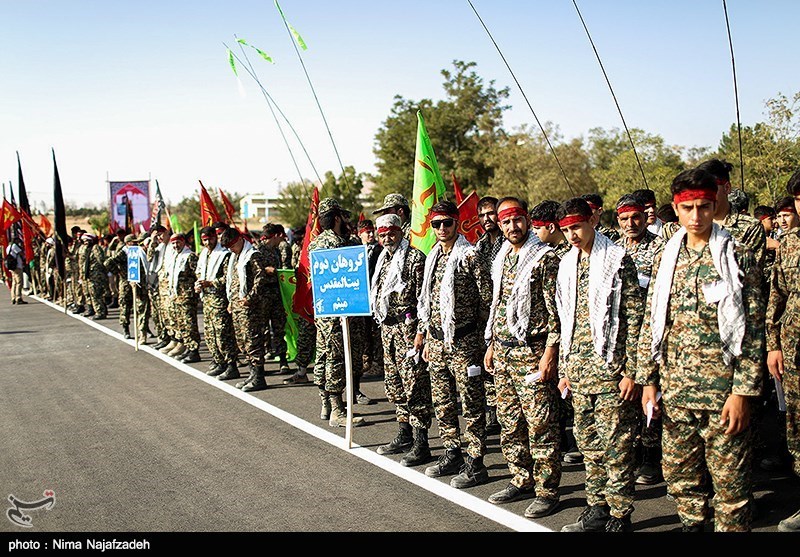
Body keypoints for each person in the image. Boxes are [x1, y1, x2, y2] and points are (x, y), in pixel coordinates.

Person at [637, 167, 765, 532]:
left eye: (704, 207)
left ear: (715, 205)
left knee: (731, 487)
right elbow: (652, 321)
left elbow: (753, 331)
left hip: (723, 392)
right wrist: (648, 381)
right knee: (681, 478)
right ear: (676, 209)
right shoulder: (666, 257)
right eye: (688, 208)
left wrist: (741, 393)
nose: (696, 216)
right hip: (676, 391)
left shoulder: (737, 255)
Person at [556, 197, 643, 532]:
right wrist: (565, 370)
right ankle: (597, 508)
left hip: (611, 372)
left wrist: (632, 372)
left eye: (577, 227)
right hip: (579, 372)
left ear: (592, 221)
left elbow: (635, 320)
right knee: (589, 444)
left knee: (617, 446)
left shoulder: (617, 260)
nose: (572, 235)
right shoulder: (568, 264)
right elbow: (566, 321)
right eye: (566, 230)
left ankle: (620, 514)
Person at [483, 197, 563, 518]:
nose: (512, 227)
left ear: (527, 220)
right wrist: (492, 344)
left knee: (541, 424)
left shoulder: (545, 258)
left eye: (517, 220)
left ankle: (547, 490)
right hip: (503, 351)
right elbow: (499, 305)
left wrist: (550, 354)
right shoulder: (502, 256)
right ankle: (521, 478)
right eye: (506, 222)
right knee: (509, 421)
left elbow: (556, 314)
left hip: (532, 352)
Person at [414, 200, 492, 489]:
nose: (442, 229)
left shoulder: (470, 256)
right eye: (436, 224)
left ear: (457, 223)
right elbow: (428, 302)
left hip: (465, 341)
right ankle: (452, 452)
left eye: (447, 223)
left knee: (471, 404)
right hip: (436, 341)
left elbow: (487, 301)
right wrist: (424, 335)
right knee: (443, 402)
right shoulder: (432, 257)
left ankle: (476, 462)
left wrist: (482, 341)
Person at [371, 213, 433, 466]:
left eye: (391, 233)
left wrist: (421, 332)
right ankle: (404, 433)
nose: (387, 239)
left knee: (415, 385)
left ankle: (421, 442)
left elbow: (425, 299)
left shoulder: (415, 258)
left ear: (400, 232)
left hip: (409, 331)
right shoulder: (383, 258)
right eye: (382, 235)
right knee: (395, 385)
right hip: (388, 330)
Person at [615, 193, 665, 485]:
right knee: (626, 397)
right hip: (622, 334)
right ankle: (632, 451)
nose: (630, 223)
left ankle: (651, 455)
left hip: (650, 332)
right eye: (624, 219)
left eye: (635, 217)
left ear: (645, 217)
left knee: (651, 392)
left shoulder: (660, 249)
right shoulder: (613, 250)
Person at [309, 198, 367, 427]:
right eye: (342, 216)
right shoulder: (340, 245)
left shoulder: (315, 243)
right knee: (336, 358)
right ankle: (337, 410)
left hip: (324, 311)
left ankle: (325, 403)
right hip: (339, 312)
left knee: (323, 356)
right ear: (336, 218)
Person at [531, 199, 580, 464]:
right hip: (558, 334)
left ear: (551, 227)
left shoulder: (562, 256)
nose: (534, 233)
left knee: (568, 396)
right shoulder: (548, 253)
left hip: (567, 334)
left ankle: (573, 441)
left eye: (537, 228)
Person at [766, 170, 800, 532]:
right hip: (793, 350)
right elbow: (777, 295)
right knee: (797, 428)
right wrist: (773, 345)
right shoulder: (789, 243)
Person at [220, 227, 269, 391]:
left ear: (240, 240)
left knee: (253, 341)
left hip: (250, 307)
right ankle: (252, 374)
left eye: (232, 245)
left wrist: (250, 298)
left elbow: (260, 278)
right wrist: (231, 301)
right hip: (237, 306)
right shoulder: (235, 257)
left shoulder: (252, 255)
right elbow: (233, 282)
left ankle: (259, 377)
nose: (231, 249)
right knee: (243, 342)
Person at [474, 196, 504, 436]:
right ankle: (493, 413)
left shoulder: (508, 242)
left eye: (491, 213)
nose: (487, 219)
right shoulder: (480, 245)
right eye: (482, 215)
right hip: (483, 315)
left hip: (503, 314)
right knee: (487, 367)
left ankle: (504, 414)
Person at [195, 226, 238, 378]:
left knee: (223, 334)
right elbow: (199, 271)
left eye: (210, 239)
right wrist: (199, 283)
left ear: (215, 237)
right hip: (207, 299)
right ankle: (219, 362)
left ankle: (231, 365)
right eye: (204, 240)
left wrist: (211, 283)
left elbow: (228, 277)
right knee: (210, 334)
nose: (208, 243)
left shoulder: (224, 254)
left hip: (220, 299)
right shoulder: (204, 254)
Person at [257, 224, 290, 374]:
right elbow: (252, 270)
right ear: (274, 236)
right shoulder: (258, 251)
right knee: (261, 330)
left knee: (279, 328)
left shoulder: (276, 250)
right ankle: (259, 364)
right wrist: (265, 270)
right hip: (263, 294)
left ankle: (283, 360)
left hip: (276, 293)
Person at [106, 234, 150, 341]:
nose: (135, 244)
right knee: (125, 307)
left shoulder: (139, 251)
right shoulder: (123, 252)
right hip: (126, 284)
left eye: (136, 242)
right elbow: (108, 262)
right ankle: (126, 328)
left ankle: (143, 330)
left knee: (142, 307)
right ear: (127, 243)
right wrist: (119, 272)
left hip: (139, 283)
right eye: (133, 242)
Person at [166, 234, 201, 363]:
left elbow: (197, 273)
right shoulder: (175, 256)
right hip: (177, 296)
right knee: (182, 324)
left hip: (187, 297)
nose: (176, 246)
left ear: (183, 242)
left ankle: (194, 351)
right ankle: (188, 347)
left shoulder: (189, 256)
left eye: (178, 242)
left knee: (189, 324)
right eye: (173, 243)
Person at [81, 233, 109, 320]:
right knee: (94, 293)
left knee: (96, 294)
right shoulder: (88, 249)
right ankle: (100, 310)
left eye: (87, 241)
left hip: (96, 276)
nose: (85, 243)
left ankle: (100, 312)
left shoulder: (95, 248)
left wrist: (103, 272)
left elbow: (101, 260)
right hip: (91, 276)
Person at [5, 237, 26, 305]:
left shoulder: (8, 247)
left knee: (14, 282)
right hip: (17, 266)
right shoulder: (14, 246)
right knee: (19, 282)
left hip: (12, 267)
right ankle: (18, 298)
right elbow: (21, 253)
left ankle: (13, 297)